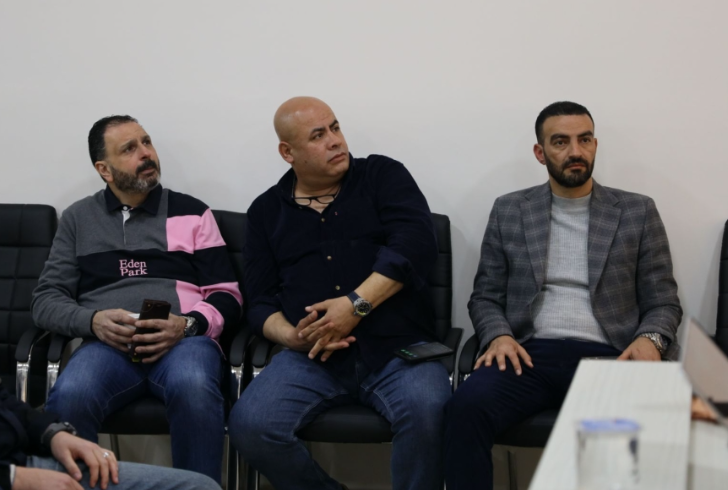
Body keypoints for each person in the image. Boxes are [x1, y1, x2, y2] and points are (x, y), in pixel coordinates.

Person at [444, 101, 682, 490]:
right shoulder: (510, 210)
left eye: (584, 139)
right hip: (527, 354)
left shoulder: (637, 211)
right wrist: (498, 335)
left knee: (639, 433)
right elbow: (485, 296)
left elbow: (663, 301)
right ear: (540, 153)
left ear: (595, 144)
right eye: (560, 142)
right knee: (465, 408)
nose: (575, 151)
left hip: (610, 356)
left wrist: (650, 340)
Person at [228, 96, 451, 490]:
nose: (335, 140)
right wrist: (291, 336)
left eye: (335, 127)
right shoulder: (265, 211)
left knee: (429, 412)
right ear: (288, 153)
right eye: (318, 135)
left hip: (397, 349)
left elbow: (415, 245)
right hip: (313, 357)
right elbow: (260, 300)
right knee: (251, 425)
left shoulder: (381, 175)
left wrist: (355, 305)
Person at [31, 115, 242, 483]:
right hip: (107, 347)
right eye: (129, 149)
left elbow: (227, 295)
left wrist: (187, 325)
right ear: (104, 169)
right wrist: (92, 321)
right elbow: (46, 300)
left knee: (193, 387)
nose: (146, 153)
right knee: (71, 395)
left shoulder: (193, 211)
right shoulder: (79, 219)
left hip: (183, 343)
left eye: (146, 142)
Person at [0, 380, 220, 490]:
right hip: (13, 475)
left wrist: (53, 432)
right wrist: (13, 478)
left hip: (19, 460)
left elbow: (4, 402)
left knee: (201, 486)